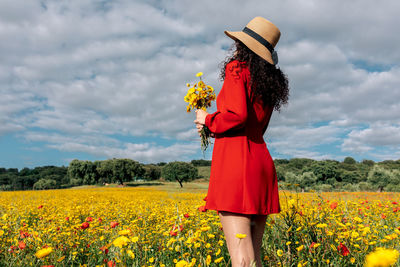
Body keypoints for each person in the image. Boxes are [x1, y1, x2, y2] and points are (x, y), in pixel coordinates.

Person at [194, 17, 289, 267]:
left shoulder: (237, 68)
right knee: (253, 258)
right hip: (260, 163)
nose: (235, 47)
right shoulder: (268, 82)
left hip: (237, 167)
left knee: (242, 260)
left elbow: (237, 115)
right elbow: (257, 127)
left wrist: (208, 120)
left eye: (238, 43)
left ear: (243, 46)